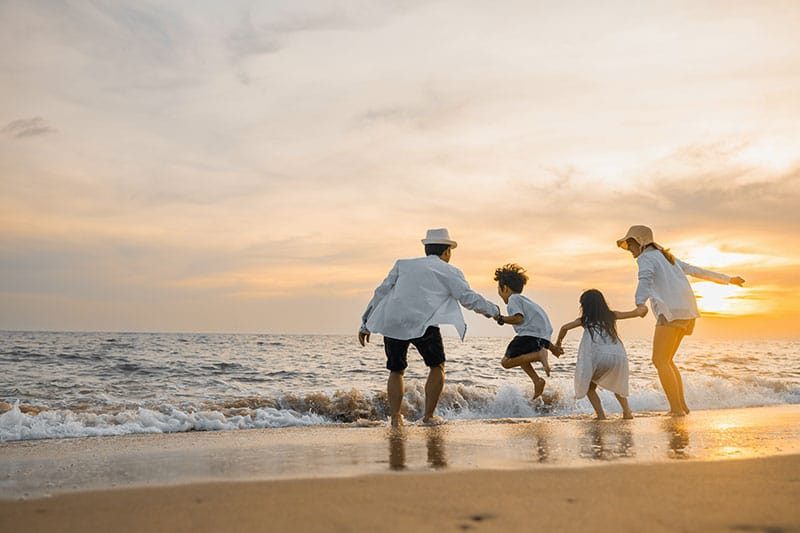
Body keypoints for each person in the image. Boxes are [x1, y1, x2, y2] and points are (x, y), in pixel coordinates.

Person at [358, 228, 500, 427]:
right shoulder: (449, 270)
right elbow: (468, 298)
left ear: (427, 249)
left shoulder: (403, 264)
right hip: (423, 324)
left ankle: (396, 417)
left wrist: (365, 323)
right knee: (437, 366)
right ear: (447, 251)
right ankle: (428, 416)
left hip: (394, 322)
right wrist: (494, 312)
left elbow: (380, 292)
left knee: (396, 370)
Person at [617, 225, 745, 416]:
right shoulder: (667, 257)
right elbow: (695, 270)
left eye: (631, 243)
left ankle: (676, 409)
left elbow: (645, 278)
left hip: (671, 313)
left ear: (640, 242)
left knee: (659, 360)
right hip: (687, 313)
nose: (629, 249)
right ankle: (681, 407)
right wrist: (728, 279)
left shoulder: (646, 258)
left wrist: (639, 303)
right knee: (667, 360)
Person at [555, 289, 646, 420]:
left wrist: (558, 343)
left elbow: (564, 327)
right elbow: (635, 313)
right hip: (617, 355)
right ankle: (627, 412)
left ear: (584, 306)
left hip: (598, 355)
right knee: (618, 386)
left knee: (590, 387)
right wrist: (643, 308)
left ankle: (601, 415)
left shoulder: (585, 319)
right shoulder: (611, 315)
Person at [493, 263, 563, 399]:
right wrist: (553, 348)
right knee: (520, 357)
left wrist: (501, 319)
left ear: (505, 288)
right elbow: (540, 332)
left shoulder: (514, 299)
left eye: (499, 289)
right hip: (539, 336)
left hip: (529, 335)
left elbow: (518, 319)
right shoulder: (526, 301)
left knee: (506, 362)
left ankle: (538, 355)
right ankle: (537, 380)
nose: (499, 293)